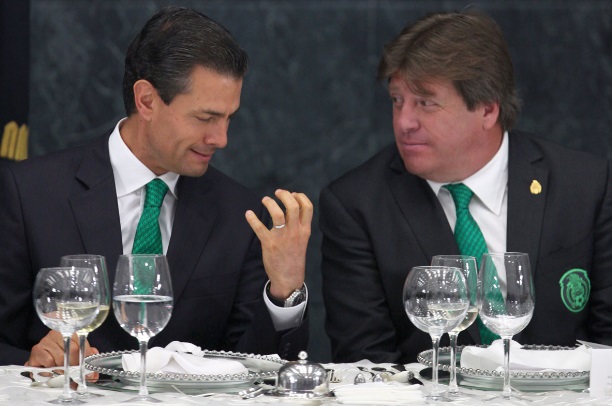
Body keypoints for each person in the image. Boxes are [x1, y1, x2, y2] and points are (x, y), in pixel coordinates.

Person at [0, 6, 313, 367]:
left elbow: (254, 366)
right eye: (206, 118)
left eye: (229, 118)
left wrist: (284, 292)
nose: (221, 138)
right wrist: (35, 362)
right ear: (146, 100)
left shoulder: (240, 214)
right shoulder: (30, 194)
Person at [320, 10, 612, 363]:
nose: (404, 121)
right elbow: (366, 363)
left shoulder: (584, 185)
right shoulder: (357, 204)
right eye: (397, 100)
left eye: (425, 102)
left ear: (487, 110)